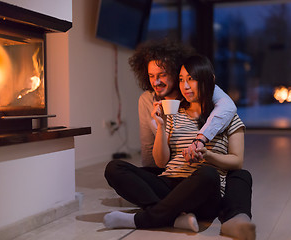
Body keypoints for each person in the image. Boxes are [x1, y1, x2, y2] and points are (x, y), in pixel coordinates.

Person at [104, 55, 255, 240]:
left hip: (205, 191)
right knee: (114, 168)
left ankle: (144, 219)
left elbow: (237, 161)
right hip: (170, 184)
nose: (185, 86)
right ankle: (174, 217)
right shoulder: (174, 113)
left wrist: (207, 155)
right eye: (182, 79)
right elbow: (161, 161)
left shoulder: (228, 117)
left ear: (208, 80)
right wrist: (161, 125)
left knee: (208, 174)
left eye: (191, 79)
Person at [128, 39, 237, 170]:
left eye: (162, 75)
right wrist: (153, 177)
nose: (156, 82)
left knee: (239, 176)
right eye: (151, 76)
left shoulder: (195, 92)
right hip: (165, 168)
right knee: (118, 169)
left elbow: (228, 106)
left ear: (176, 72)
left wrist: (201, 139)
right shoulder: (146, 100)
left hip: (197, 167)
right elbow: (148, 146)